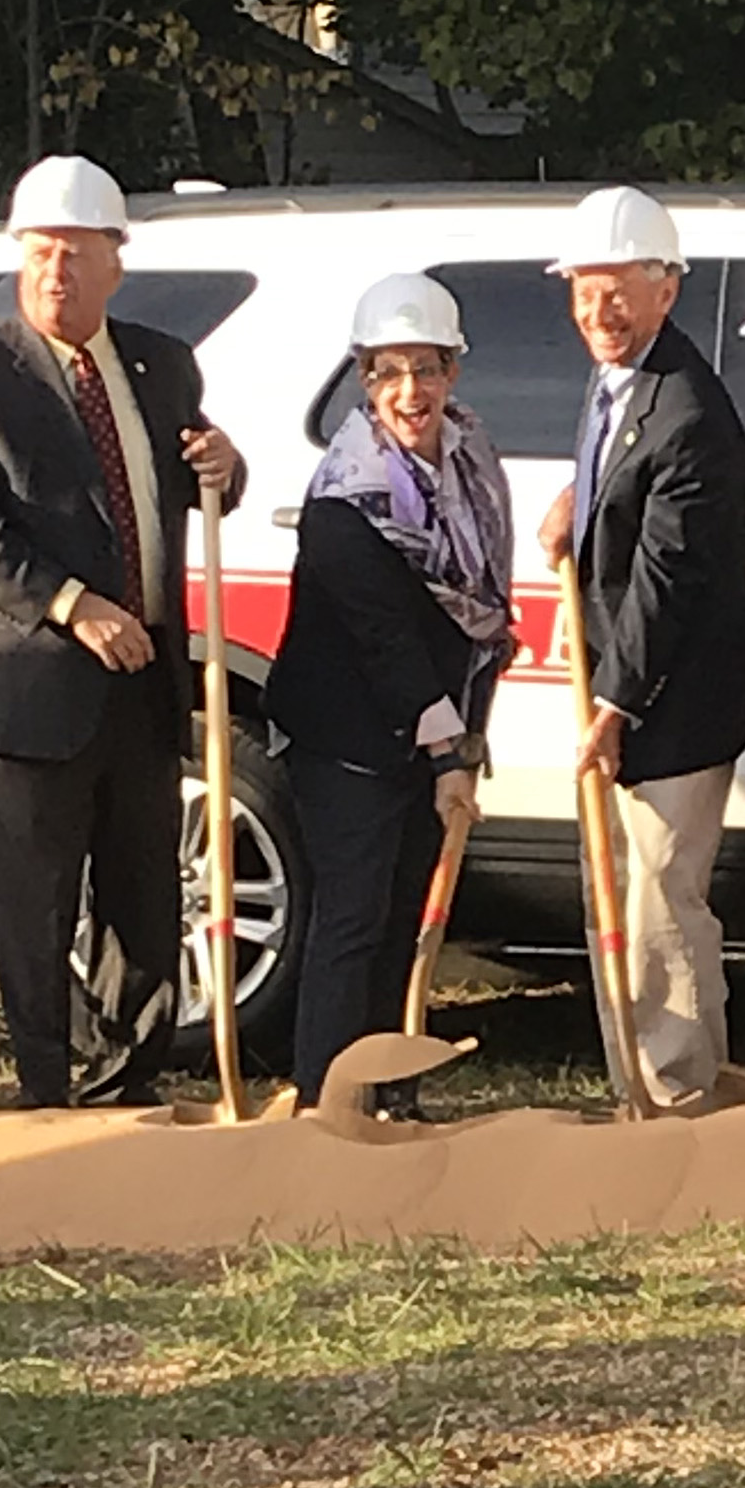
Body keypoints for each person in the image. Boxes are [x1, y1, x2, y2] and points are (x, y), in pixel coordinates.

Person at [0, 154, 246, 1109]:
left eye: (77, 254)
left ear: (115, 264)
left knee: (144, 902)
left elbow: (197, 478)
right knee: (34, 911)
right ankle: (46, 1089)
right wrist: (72, 605)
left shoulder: (163, 365)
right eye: (42, 252)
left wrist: (226, 465)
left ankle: (128, 1082)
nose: (58, 271)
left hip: (142, 686)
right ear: (19, 258)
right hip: (28, 691)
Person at [265, 273, 514, 1112]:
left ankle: (392, 1092)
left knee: (409, 921)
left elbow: (479, 607)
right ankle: (324, 1097)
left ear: (453, 373)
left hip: (432, 729)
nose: (412, 392)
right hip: (351, 740)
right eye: (390, 372)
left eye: (428, 369)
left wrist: (461, 744)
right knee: (353, 921)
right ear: (365, 380)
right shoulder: (346, 501)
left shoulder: (470, 453)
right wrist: (448, 749)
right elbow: (389, 645)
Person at [532, 185, 745, 1106]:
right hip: (629, 690)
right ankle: (635, 1081)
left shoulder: (690, 413)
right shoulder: (621, 380)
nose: (599, 311)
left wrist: (613, 704)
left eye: (619, 290)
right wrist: (574, 510)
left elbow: (668, 580)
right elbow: (616, 485)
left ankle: (679, 1094)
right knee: (618, 892)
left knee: (663, 902)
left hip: (674, 701)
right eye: (585, 290)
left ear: (667, 290)